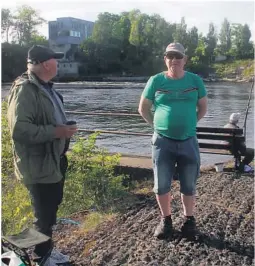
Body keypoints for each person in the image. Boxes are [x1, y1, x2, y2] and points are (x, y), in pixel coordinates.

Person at [7, 45, 77, 263]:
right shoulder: (25, 89)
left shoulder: (46, 87)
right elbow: (19, 130)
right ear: (46, 64)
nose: (57, 63)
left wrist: (64, 129)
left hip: (53, 161)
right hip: (37, 165)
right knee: (43, 215)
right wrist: (57, 131)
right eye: (55, 60)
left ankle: (45, 249)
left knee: (50, 211)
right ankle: (40, 257)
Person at [138, 42, 207, 239]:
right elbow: (143, 109)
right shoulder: (156, 81)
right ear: (165, 59)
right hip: (162, 142)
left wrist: (189, 123)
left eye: (178, 56)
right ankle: (166, 220)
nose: (174, 60)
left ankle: (189, 221)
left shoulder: (195, 81)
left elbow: (202, 108)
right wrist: (157, 126)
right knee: (161, 184)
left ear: (185, 59)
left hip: (188, 141)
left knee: (189, 184)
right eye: (170, 56)